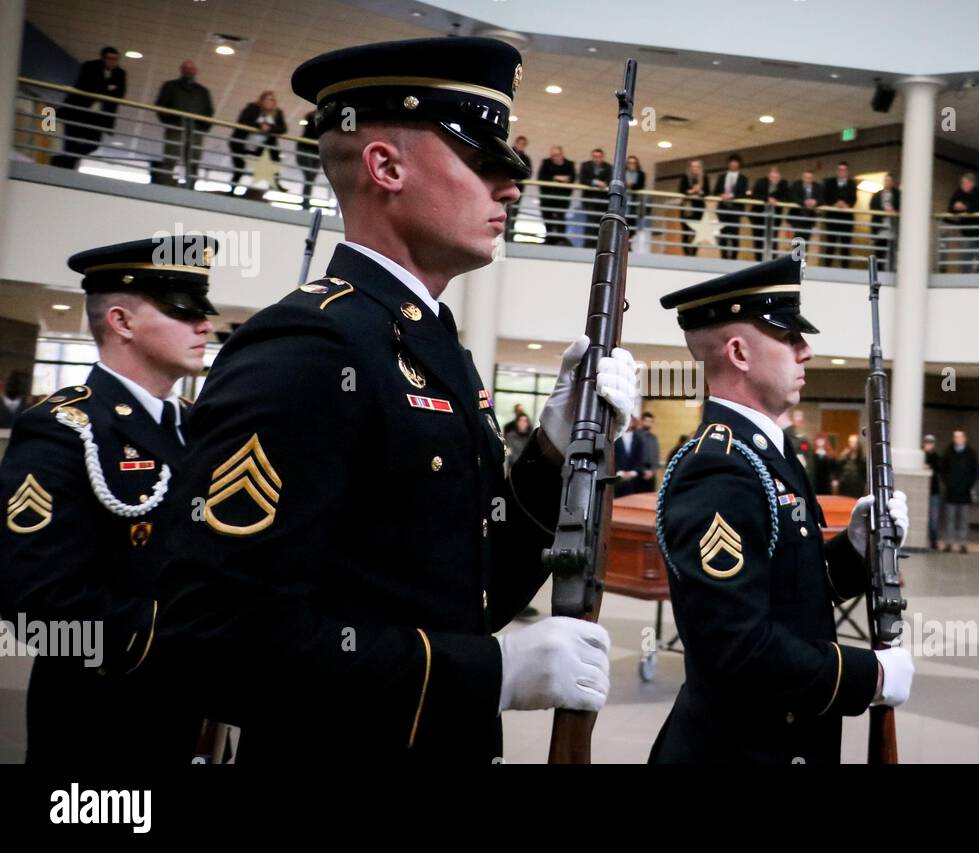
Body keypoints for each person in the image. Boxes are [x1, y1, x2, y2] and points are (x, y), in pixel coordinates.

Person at [157, 37, 641, 763]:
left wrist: (552, 447)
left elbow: (464, 585)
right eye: (483, 162)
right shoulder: (310, 347)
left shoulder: (426, 343)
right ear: (385, 166)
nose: (510, 188)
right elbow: (213, 640)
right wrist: (491, 671)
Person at [652, 255, 913, 763]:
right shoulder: (718, 468)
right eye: (790, 337)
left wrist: (855, 548)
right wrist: (869, 676)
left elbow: (789, 591)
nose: (807, 351)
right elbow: (738, 648)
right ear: (739, 353)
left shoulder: (768, 453)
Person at [0, 234, 219, 763]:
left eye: (202, 311)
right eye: (182, 311)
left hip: (186, 707)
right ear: (121, 322)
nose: (205, 325)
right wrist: (178, 635)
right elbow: (31, 597)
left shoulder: (198, 427)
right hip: (98, 713)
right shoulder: (62, 429)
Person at [51, 46, 126, 170]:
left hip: (98, 116)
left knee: (93, 144)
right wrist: (108, 88)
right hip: (77, 112)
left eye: (115, 59)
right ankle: (64, 168)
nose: (112, 62)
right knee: (71, 143)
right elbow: (86, 86)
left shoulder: (120, 73)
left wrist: (103, 89)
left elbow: (120, 94)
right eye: (110, 59)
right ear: (103, 58)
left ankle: (61, 161)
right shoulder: (90, 66)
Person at [153, 61, 214, 186]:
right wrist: (170, 121)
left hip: (195, 130)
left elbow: (209, 111)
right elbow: (161, 105)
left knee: (193, 160)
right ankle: (164, 183)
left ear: (196, 71)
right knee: (170, 156)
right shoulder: (170, 86)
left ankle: (190, 186)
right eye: (186, 68)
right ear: (181, 70)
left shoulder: (202, 91)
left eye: (191, 68)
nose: (189, 71)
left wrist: (203, 127)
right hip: (176, 126)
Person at [229, 91, 287, 186]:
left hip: (261, 146)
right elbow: (243, 121)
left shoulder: (278, 113)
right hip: (243, 143)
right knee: (240, 167)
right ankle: (232, 189)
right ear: (261, 100)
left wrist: (270, 128)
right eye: (267, 99)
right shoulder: (252, 108)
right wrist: (259, 126)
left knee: (274, 158)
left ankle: (276, 183)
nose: (270, 102)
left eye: (272, 99)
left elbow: (283, 129)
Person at [941, 429, 979, 552]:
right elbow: (943, 470)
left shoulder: (971, 453)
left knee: (963, 518)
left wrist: (969, 484)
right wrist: (948, 483)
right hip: (951, 491)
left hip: (964, 491)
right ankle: (949, 542)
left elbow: (976, 471)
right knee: (950, 518)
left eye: (960, 437)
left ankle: (962, 543)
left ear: (964, 438)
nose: (957, 439)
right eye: (955, 437)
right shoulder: (948, 452)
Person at [536, 145, 576, 246]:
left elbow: (572, 179)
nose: (554, 157)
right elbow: (541, 177)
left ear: (562, 154)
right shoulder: (546, 162)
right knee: (547, 219)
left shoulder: (569, 164)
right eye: (553, 155)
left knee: (561, 219)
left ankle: (560, 239)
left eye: (557, 155)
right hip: (547, 198)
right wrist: (556, 178)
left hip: (562, 198)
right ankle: (548, 238)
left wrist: (565, 180)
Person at [946, 173, 979, 273]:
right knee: (965, 256)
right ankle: (964, 279)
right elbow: (950, 208)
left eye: (965, 183)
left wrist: (965, 208)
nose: (963, 184)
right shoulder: (958, 192)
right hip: (967, 231)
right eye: (962, 182)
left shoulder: (977, 192)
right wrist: (955, 207)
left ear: (972, 183)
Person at [713, 154, 749, 260]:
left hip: (735, 209)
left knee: (734, 235)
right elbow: (716, 191)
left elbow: (743, 194)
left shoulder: (743, 178)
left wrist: (732, 196)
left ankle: (733, 258)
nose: (733, 164)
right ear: (728, 164)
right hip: (723, 209)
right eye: (731, 162)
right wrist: (721, 195)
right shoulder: (722, 177)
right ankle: (723, 257)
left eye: (736, 162)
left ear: (739, 164)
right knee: (723, 235)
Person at [822, 162, 858, 268]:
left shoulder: (852, 183)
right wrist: (835, 204)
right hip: (832, 218)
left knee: (845, 246)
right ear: (837, 171)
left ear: (847, 172)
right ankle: (827, 267)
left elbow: (854, 198)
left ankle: (845, 268)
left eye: (844, 170)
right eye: (840, 170)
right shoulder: (830, 182)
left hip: (846, 219)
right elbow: (826, 197)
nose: (842, 172)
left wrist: (846, 204)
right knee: (830, 244)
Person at [578, 148, 613, 249]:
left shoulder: (608, 167)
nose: (597, 159)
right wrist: (595, 182)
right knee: (589, 222)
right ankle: (588, 244)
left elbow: (610, 179)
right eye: (595, 156)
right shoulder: (585, 165)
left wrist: (604, 184)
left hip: (602, 201)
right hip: (589, 199)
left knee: (601, 222)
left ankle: (599, 245)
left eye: (599, 157)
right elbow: (582, 179)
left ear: (602, 157)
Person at [749, 166, 790, 245]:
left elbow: (788, 197)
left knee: (772, 241)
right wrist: (767, 199)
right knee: (758, 241)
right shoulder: (761, 182)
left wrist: (776, 200)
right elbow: (754, 195)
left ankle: (772, 257)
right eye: (772, 176)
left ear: (780, 177)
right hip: (758, 217)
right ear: (768, 176)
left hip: (774, 218)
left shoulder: (783, 184)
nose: (774, 178)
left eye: (776, 176)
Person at [867, 173, 900, 271]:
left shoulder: (898, 195)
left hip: (893, 229)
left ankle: (890, 272)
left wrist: (894, 211)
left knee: (892, 254)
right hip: (880, 229)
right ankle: (878, 272)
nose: (887, 183)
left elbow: (902, 206)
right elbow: (872, 206)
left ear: (892, 182)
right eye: (886, 181)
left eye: (889, 181)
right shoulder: (877, 195)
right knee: (879, 253)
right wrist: (883, 210)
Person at [677, 159, 709, 257]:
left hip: (698, 209)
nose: (695, 169)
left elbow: (707, 192)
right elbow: (681, 190)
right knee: (686, 232)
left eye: (697, 166)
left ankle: (694, 254)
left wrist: (700, 192)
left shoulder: (704, 178)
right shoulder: (685, 177)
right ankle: (686, 254)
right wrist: (691, 191)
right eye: (693, 166)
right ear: (690, 168)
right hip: (686, 208)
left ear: (700, 168)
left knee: (697, 232)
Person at [791, 170, 824, 258]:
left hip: (810, 219)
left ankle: (802, 265)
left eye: (810, 178)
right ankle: (796, 264)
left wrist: (815, 202)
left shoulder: (817, 187)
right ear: (803, 178)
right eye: (806, 177)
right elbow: (793, 197)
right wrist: (804, 202)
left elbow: (822, 199)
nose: (808, 180)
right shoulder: (796, 185)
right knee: (798, 242)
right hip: (798, 218)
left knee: (805, 243)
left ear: (812, 179)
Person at [295, 108, 324, 198]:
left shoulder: (325, 120)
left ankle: (306, 201)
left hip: (317, 150)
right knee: (310, 176)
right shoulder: (312, 117)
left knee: (311, 177)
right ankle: (306, 201)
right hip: (306, 148)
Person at [923, 433, 942, 550]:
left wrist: (929, 466)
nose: (928, 445)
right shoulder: (920, 455)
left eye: (930, 443)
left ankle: (933, 541)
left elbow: (938, 468)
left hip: (933, 491)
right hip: (926, 492)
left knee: (933, 519)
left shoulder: (936, 457)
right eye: (927, 443)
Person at [636, 410, 661, 494]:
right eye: (646, 421)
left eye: (650, 421)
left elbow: (656, 456)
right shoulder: (635, 436)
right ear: (642, 421)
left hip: (651, 473)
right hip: (638, 473)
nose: (648, 423)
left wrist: (653, 471)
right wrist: (643, 470)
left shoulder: (653, 438)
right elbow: (633, 456)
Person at [837, 433, 867, 498]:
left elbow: (865, 473)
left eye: (854, 442)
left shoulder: (862, 458)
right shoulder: (844, 456)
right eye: (850, 442)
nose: (852, 444)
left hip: (857, 487)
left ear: (858, 444)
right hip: (845, 486)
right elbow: (838, 469)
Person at [625, 154, 647, 237]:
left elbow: (640, 186)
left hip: (635, 204)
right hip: (623, 203)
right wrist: (627, 184)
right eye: (630, 163)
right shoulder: (622, 173)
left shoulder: (641, 174)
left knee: (632, 225)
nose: (631, 165)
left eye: (633, 163)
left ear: (637, 164)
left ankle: (629, 242)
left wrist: (631, 185)